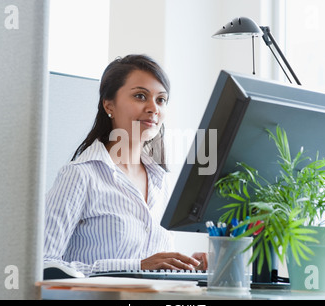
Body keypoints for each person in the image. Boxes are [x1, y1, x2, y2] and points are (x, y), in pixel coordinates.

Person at [44, 54, 207, 276]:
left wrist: (186, 265)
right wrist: (137, 266)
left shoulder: (161, 180)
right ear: (108, 104)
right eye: (140, 96)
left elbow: (153, 262)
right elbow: (46, 265)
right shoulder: (80, 175)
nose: (153, 108)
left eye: (161, 100)